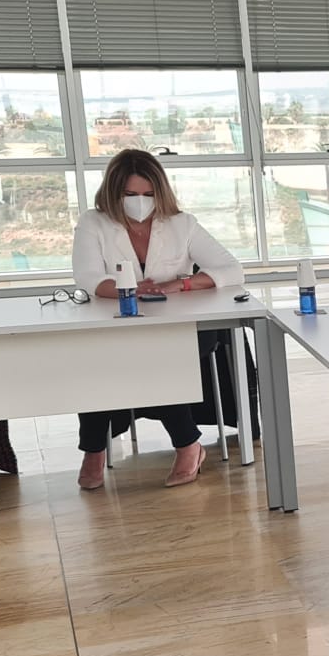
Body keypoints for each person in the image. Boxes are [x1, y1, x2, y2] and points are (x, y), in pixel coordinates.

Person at [71, 149, 246, 490]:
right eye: (131, 195)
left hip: (182, 330)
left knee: (154, 355)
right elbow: (88, 278)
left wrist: (180, 284)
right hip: (119, 328)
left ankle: (187, 446)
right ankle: (94, 449)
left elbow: (232, 270)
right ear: (114, 192)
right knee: (98, 358)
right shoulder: (94, 222)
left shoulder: (182, 224)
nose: (141, 202)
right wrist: (132, 291)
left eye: (148, 195)